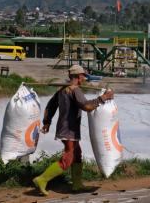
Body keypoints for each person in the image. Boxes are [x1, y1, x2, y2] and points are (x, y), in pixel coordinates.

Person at [32, 64, 114, 196]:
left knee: (77, 155)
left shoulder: (62, 90)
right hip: (68, 130)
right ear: (78, 76)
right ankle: (42, 179)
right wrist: (103, 98)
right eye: (83, 76)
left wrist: (47, 122)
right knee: (68, 158)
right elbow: (86, 106)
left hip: (68, 129)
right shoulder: (75, 90)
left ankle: (77, 185)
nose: (84, 79)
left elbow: (50, 106)